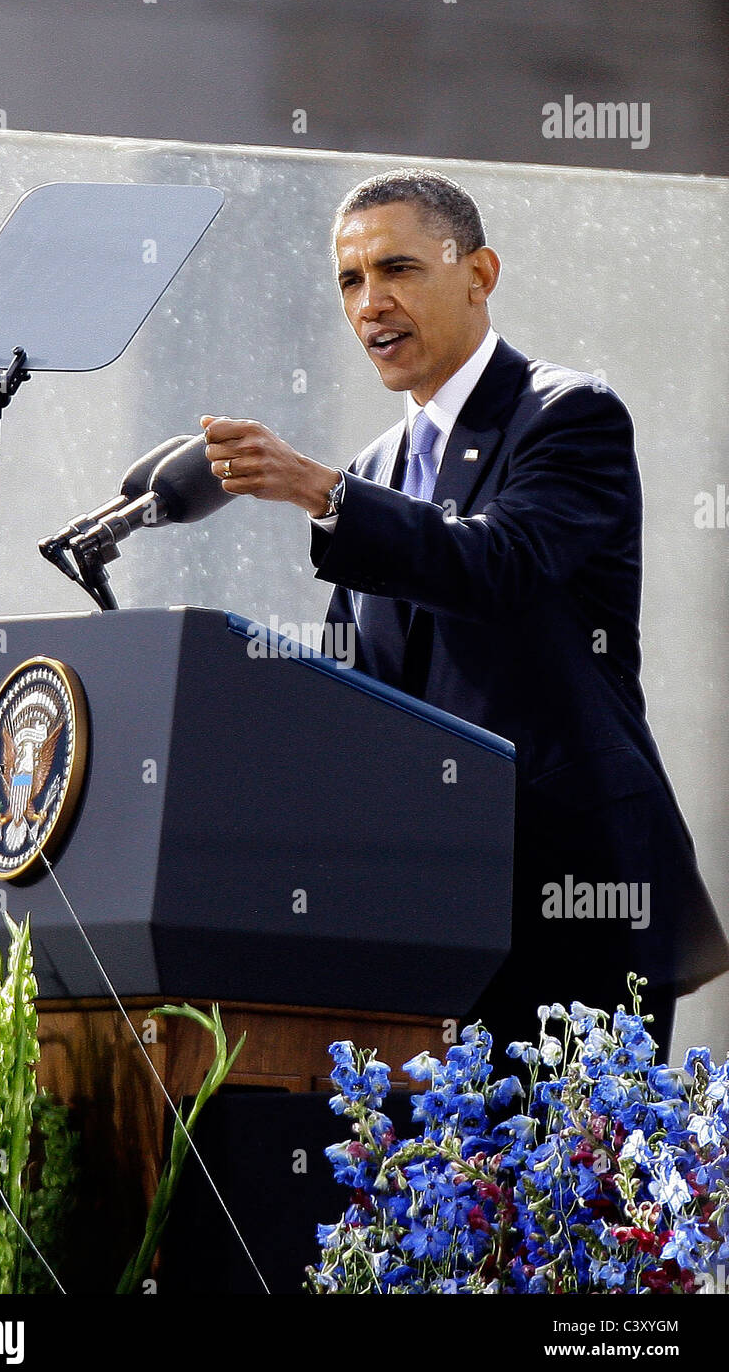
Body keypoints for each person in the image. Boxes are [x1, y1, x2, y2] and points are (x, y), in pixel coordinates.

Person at [199, 167, 729, 1061]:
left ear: (479, 274)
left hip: (570, 896)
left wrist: (321, 492)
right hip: (426, 912)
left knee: (569, 1194)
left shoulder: (568, 416)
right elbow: (359, 690)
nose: (372, 303)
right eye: (350, 280)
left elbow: (498, 563)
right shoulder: (372, 469)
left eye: (398, 269)